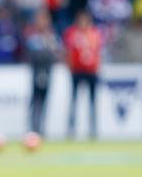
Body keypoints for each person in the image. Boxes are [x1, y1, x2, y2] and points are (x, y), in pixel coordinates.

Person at [23, 9, 63, 137]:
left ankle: (41, 129)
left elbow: (57, 51)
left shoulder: (51, 35)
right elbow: (31, 50)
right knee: (36, 100)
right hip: (37, 69)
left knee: (45, 100)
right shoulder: (33, 34)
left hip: (48, 69)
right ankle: (33, 129)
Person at [64, 11, 102, 139]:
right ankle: (71, 128)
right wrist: (70, 67)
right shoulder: (72, 33)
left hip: (91, 71)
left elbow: (98, 52)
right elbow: (68, 51)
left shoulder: (95, 33)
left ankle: (93, 129)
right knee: (74, 100)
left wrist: (97, 67)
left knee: (92, 101)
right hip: (77, 70)